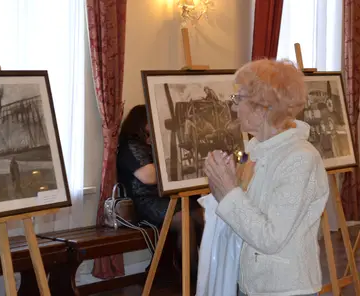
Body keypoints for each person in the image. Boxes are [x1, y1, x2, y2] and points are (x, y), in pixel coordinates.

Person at [203, 59, 329, 296]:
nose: (234, 107)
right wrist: (225, 183)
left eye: (239, 99)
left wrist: (228, 191)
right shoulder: (256, 148)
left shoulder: (300, 159)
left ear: (261, 110)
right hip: (252, 281)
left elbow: (271, 237)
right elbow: (246, 210)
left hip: (284, 288)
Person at [116, 104, 204, 282]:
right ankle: (191, 276)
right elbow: (149, 176)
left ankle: (206, 269)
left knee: (199, 214)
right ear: (140, 123)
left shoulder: (151, 144)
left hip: (164, 198)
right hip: (145, 202)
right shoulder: (130, 147)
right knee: (184, 220)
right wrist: (177, 166)